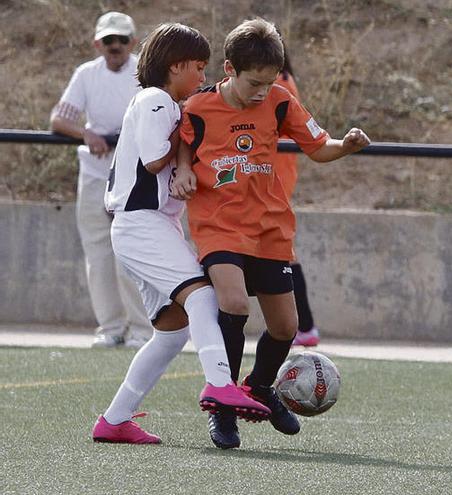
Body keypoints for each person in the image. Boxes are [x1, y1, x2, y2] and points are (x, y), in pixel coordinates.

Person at [172, 18, 370, 449]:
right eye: (253, 82)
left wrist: (347, 146)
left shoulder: (280, 102)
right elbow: (184, 140)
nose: (261, 91)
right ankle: (223, 409)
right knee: (235, 302)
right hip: (218, 224)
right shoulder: (199, 106)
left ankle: (259, 388)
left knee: (285, 326)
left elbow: (319, 148)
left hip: (269, 227)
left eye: (269, 81)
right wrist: (185, 169)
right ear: (229, 69)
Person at [92, 22, 270, 445]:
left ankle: (114, 420)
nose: (204, 77)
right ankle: (219, 384)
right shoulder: (157, 100)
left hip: (153, 224)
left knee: (172, 332)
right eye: (199, 68)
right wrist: (193, 123)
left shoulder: (165, 102)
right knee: (203, 296)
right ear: (175, 67)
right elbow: (156, 160)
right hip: (140, 223)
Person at [50, 11, 153, 348]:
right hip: (95, 174)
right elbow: (58, 120)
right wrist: (87, 133)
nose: (115, 46)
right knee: (98, 254)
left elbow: (160, 115)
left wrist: (129, 138)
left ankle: (142, 328)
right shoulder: (86, 74)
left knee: (130, 253)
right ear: (98, 43)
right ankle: (110, 328)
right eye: (109, 40)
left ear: (133, 42)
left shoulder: (144, 72)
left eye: (122, 39)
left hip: (133, 176)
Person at [274, 43, 320, 348]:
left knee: (284, 249)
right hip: (278, 170)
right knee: (285, 250)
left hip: (274, 172)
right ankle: (304, 326)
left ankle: (303, 325)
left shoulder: (277, 84)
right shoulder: (283, 79)